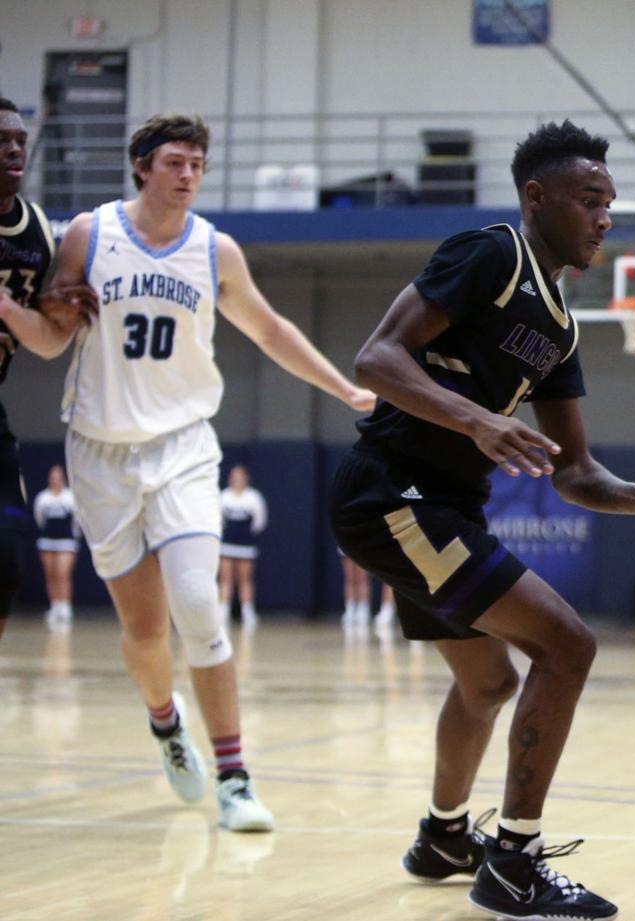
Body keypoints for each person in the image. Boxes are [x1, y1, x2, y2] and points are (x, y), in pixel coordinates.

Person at [330, 120, 635, 921]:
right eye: (590, 200)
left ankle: (445, 837)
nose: (604, 217)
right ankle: (514, 863)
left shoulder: (560, 325)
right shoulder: (490, 254)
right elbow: (377, 357)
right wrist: (477, 421)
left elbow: (574, 469)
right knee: (567, 644)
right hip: (391, 492)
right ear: (537, 198)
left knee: (489, 683)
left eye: (610, 204)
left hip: (442, 504)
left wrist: (633, 495)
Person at [43, 113, 375, 832]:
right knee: (145, 629)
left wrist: (343, 388)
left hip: (184, 446)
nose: (188, 173)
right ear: (141, 167)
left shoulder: (214, 249)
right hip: (99, 452)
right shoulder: (87, 234)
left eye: (197, 162)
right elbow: (54, 319)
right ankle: (166, 723)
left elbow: (270, 328)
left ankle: (235, 776)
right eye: (174, 161)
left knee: (198, 600)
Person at [0, 98, 97, 642]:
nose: (15, 148)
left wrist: (58, 311)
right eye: (1, 141)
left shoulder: (35, 228)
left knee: (8, 560)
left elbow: (44, 340)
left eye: (19, 139)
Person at [218, 464, 266, 630]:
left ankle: (248, 613)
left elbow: (259, 522)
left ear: (246, 479)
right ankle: (223, 612)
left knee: (245, 579)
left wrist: (246, 536)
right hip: (227, 545)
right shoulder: (224, 496)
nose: (237, 480)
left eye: (240, 477)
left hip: (245, 545)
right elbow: (219, 521)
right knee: (225, 579)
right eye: (234, 477)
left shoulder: (253, 497)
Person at [33, 464, 79, 631]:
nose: (55, 479)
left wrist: (73, 536)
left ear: (63, 478)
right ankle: (55, 606)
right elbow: (39, 519)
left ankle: (65, 607)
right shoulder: (43, 498)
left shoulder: (70, 498)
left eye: (58, 476)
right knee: (51, 574)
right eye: (52, 476)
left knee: (62, 573)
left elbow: (77, 521)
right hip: (47, 540)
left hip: (66, 541)